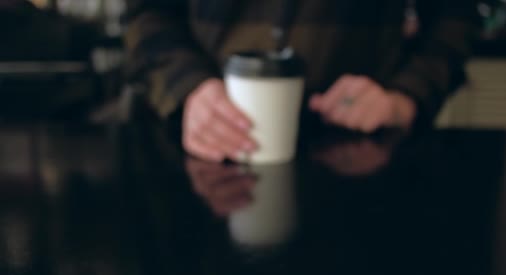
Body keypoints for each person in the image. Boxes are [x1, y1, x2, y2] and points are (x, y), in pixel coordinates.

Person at [125, 0, 479, 162]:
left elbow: (456, 16)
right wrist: (189, 88)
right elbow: (148, 12)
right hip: (205, 147)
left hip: (360, 150)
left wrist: (404, 97)